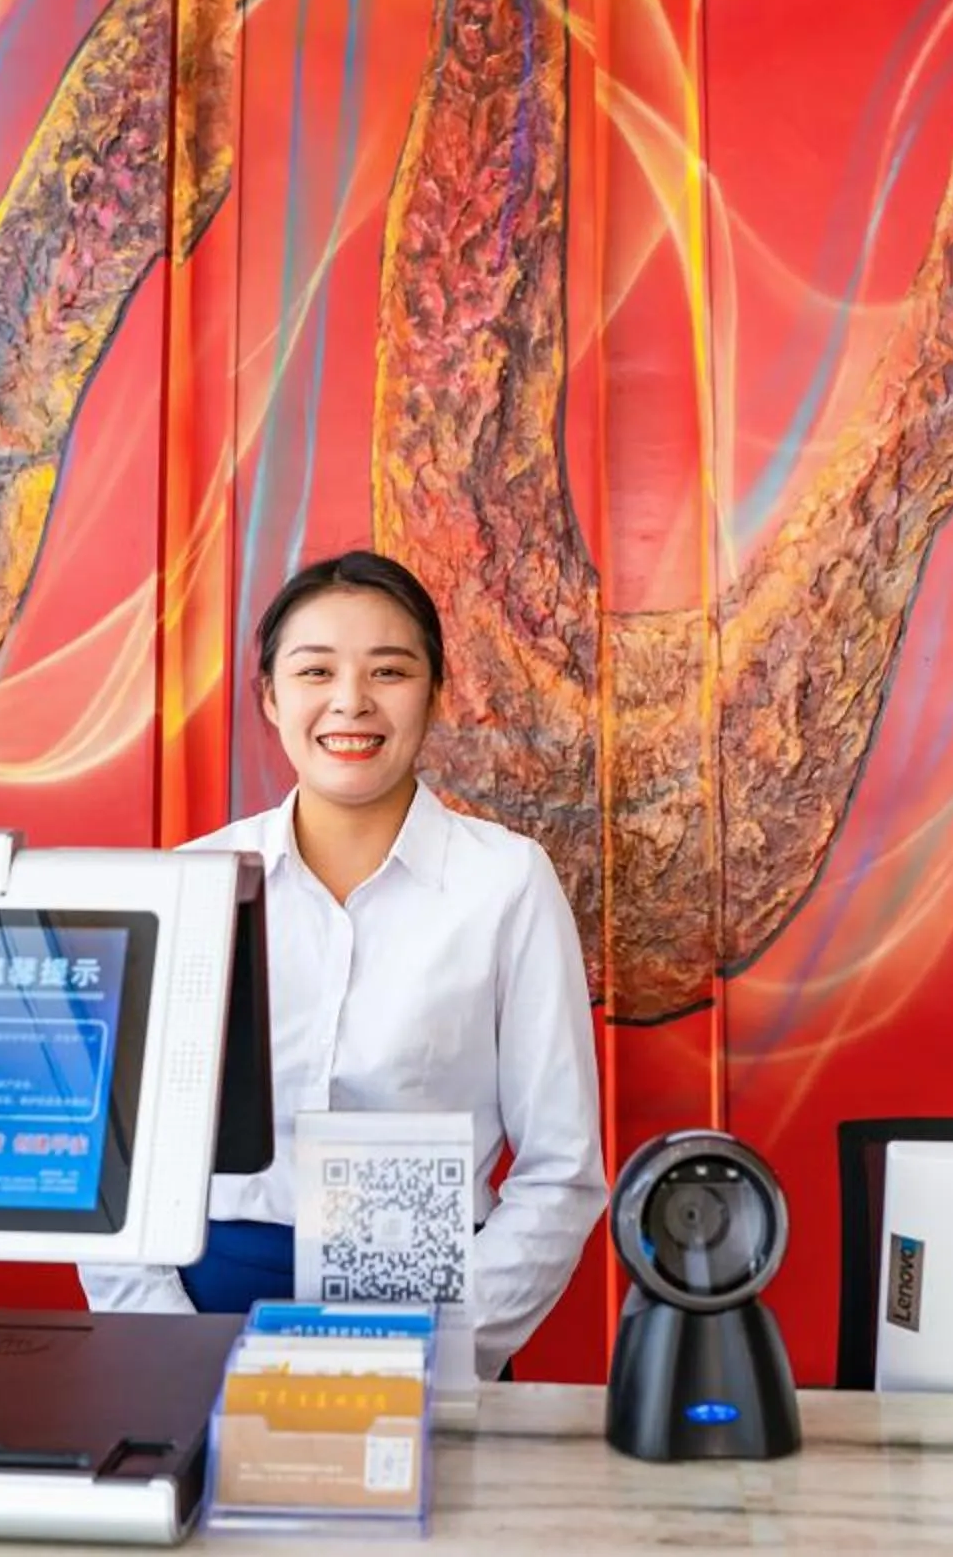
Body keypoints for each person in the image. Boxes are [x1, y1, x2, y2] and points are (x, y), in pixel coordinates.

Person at [79, 551, 606, 1379]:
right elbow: (114, 1164)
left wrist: (446, 1346)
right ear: (270, 696)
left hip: (430, 1300)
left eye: (388, 671)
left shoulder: (506, 882)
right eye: (315, 670)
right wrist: (169, 1348)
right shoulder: (193, 882)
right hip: (207, 1300)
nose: (351, 700)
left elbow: (561, 1170)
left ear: (436, 693)